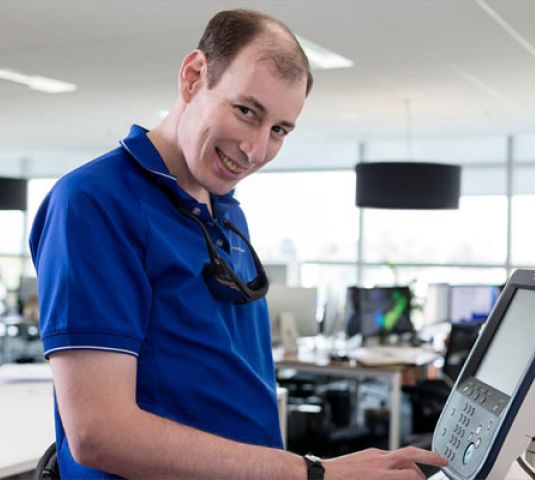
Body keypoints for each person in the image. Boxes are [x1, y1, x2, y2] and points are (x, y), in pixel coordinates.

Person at [29, 9, 448, 480]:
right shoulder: (95, 202)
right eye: (246, 111)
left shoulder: (223, 209)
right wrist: (313, 473)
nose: (256, 150)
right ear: (193, 77)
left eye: (279, 130)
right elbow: (99, 433)